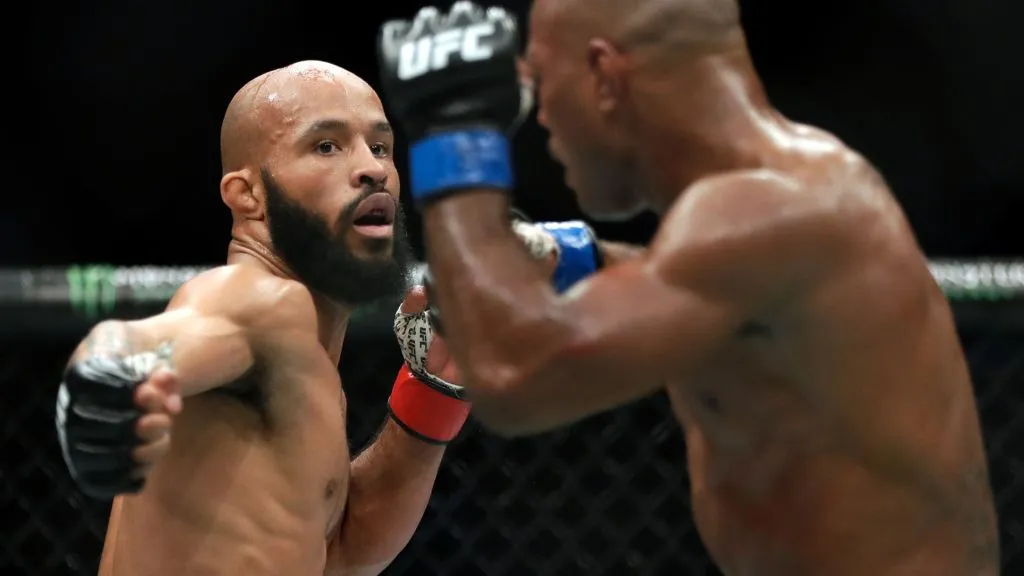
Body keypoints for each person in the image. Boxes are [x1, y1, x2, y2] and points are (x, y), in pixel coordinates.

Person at [376, 2, 1000, 575]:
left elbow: (515, 377)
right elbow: (701, 282)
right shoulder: (777, 202)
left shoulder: (774, 208)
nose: (539, 118)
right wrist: (573, 257)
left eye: (541, 83)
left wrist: (453, 139)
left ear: (604, 76)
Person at [54, 61, 473, 576]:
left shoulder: (306, 366)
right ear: (246, 195)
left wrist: (430, 395)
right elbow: (145, 346)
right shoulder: (256, 302)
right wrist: (108, 379)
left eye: (380, 146)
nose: (372, 168)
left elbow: (337, 555)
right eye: (327, 146)